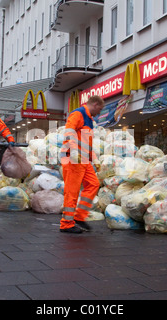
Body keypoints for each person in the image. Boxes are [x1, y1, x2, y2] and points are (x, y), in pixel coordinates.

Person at [59, 95, 105, 233]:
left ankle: (79, 217)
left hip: (82, 158)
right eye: (100, 109)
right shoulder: (78, 114)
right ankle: (66, 224)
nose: (100, 112)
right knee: (72, 191)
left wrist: (94, 158)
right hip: (73, 158)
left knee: (93, 184)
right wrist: (73, 151)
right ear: (95, 104)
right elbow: (69, 132)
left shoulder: (89, 119)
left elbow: (86, 143)